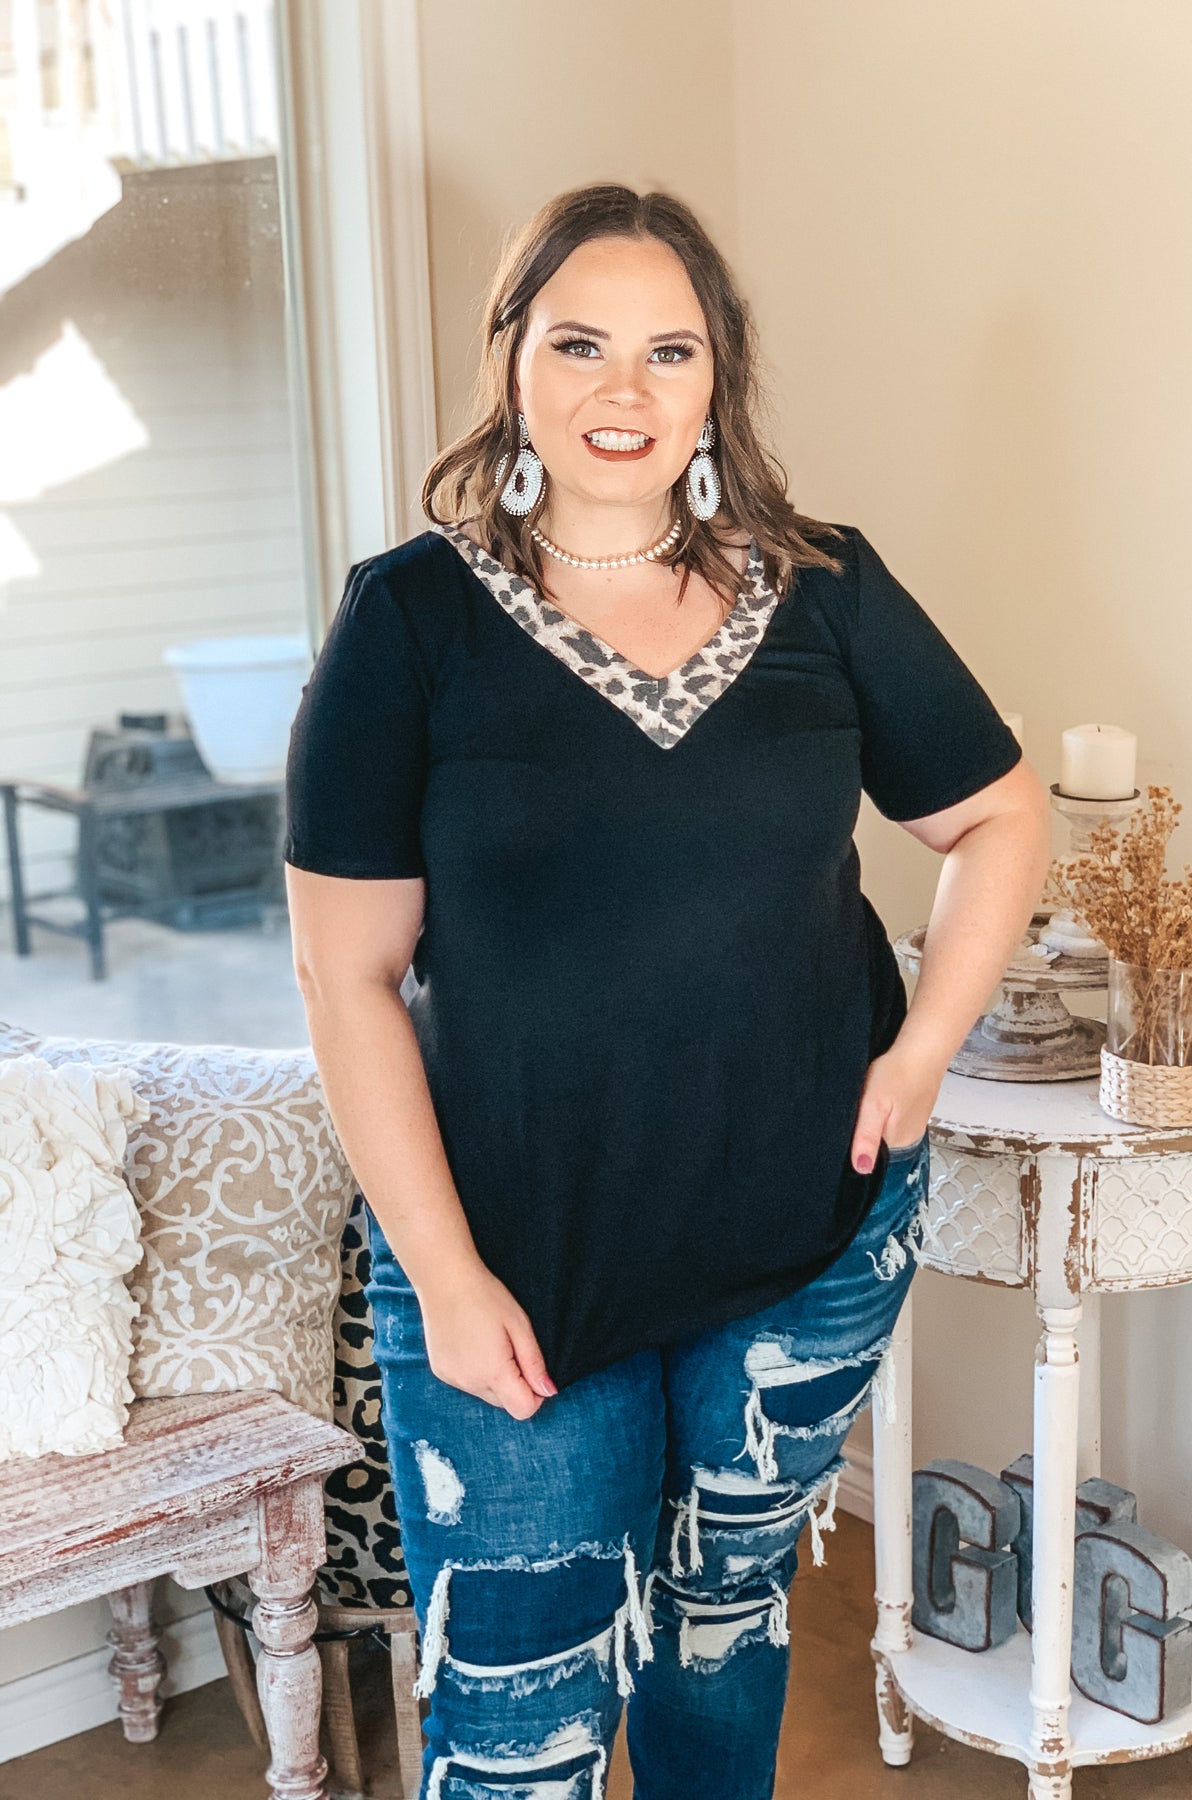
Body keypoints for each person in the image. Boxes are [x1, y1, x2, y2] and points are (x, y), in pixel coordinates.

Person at [284, 182, 1051, 1800]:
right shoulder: (408, 621)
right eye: (578, 345)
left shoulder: (825, 588)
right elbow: (345, 976)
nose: (621, 391)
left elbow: (996, 814)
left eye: (668, 351)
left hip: (800, 1236)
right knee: (516, 1719)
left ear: (717, 381)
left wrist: (921, 1050)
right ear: (512, 362)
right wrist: (444, 1277)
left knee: (723, 1626)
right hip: (513, 1261)